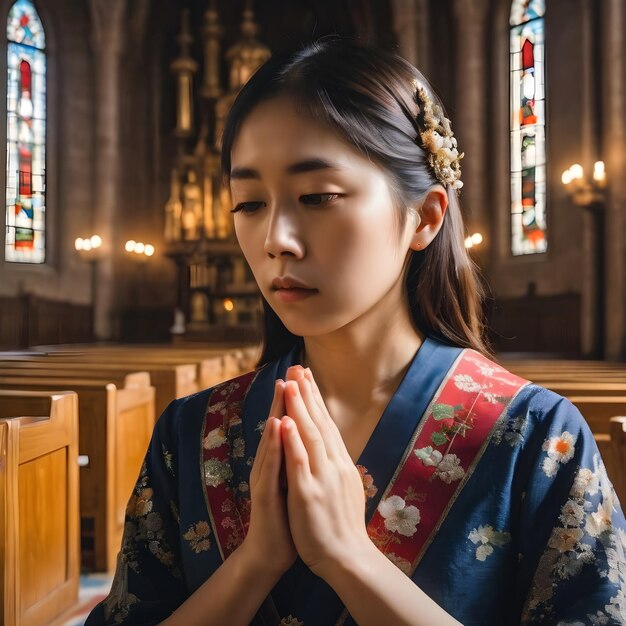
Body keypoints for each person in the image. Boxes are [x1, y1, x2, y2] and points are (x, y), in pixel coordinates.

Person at [86, 38, 626, 626]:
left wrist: (349, 558)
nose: (276, 239)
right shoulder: (190, 433)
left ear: (425, 216)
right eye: (248, 203)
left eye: (318, 196)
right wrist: (255, 563)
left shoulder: (538, 438)